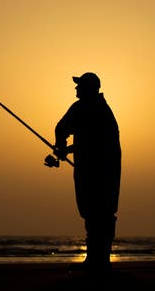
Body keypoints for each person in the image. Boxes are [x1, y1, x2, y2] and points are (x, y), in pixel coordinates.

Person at [50, 72, 121, 274]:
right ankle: (100, 261)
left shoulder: (83, 107)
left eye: (79, 85)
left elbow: (61, 127)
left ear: (89, 88)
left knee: (94, 212)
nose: (76, 89)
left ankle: (95, 261)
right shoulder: (104, 110)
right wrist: (68, 149)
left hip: (93, 170)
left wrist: (62, 146)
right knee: (103, 213)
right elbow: (95, 141)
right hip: (109, 170)